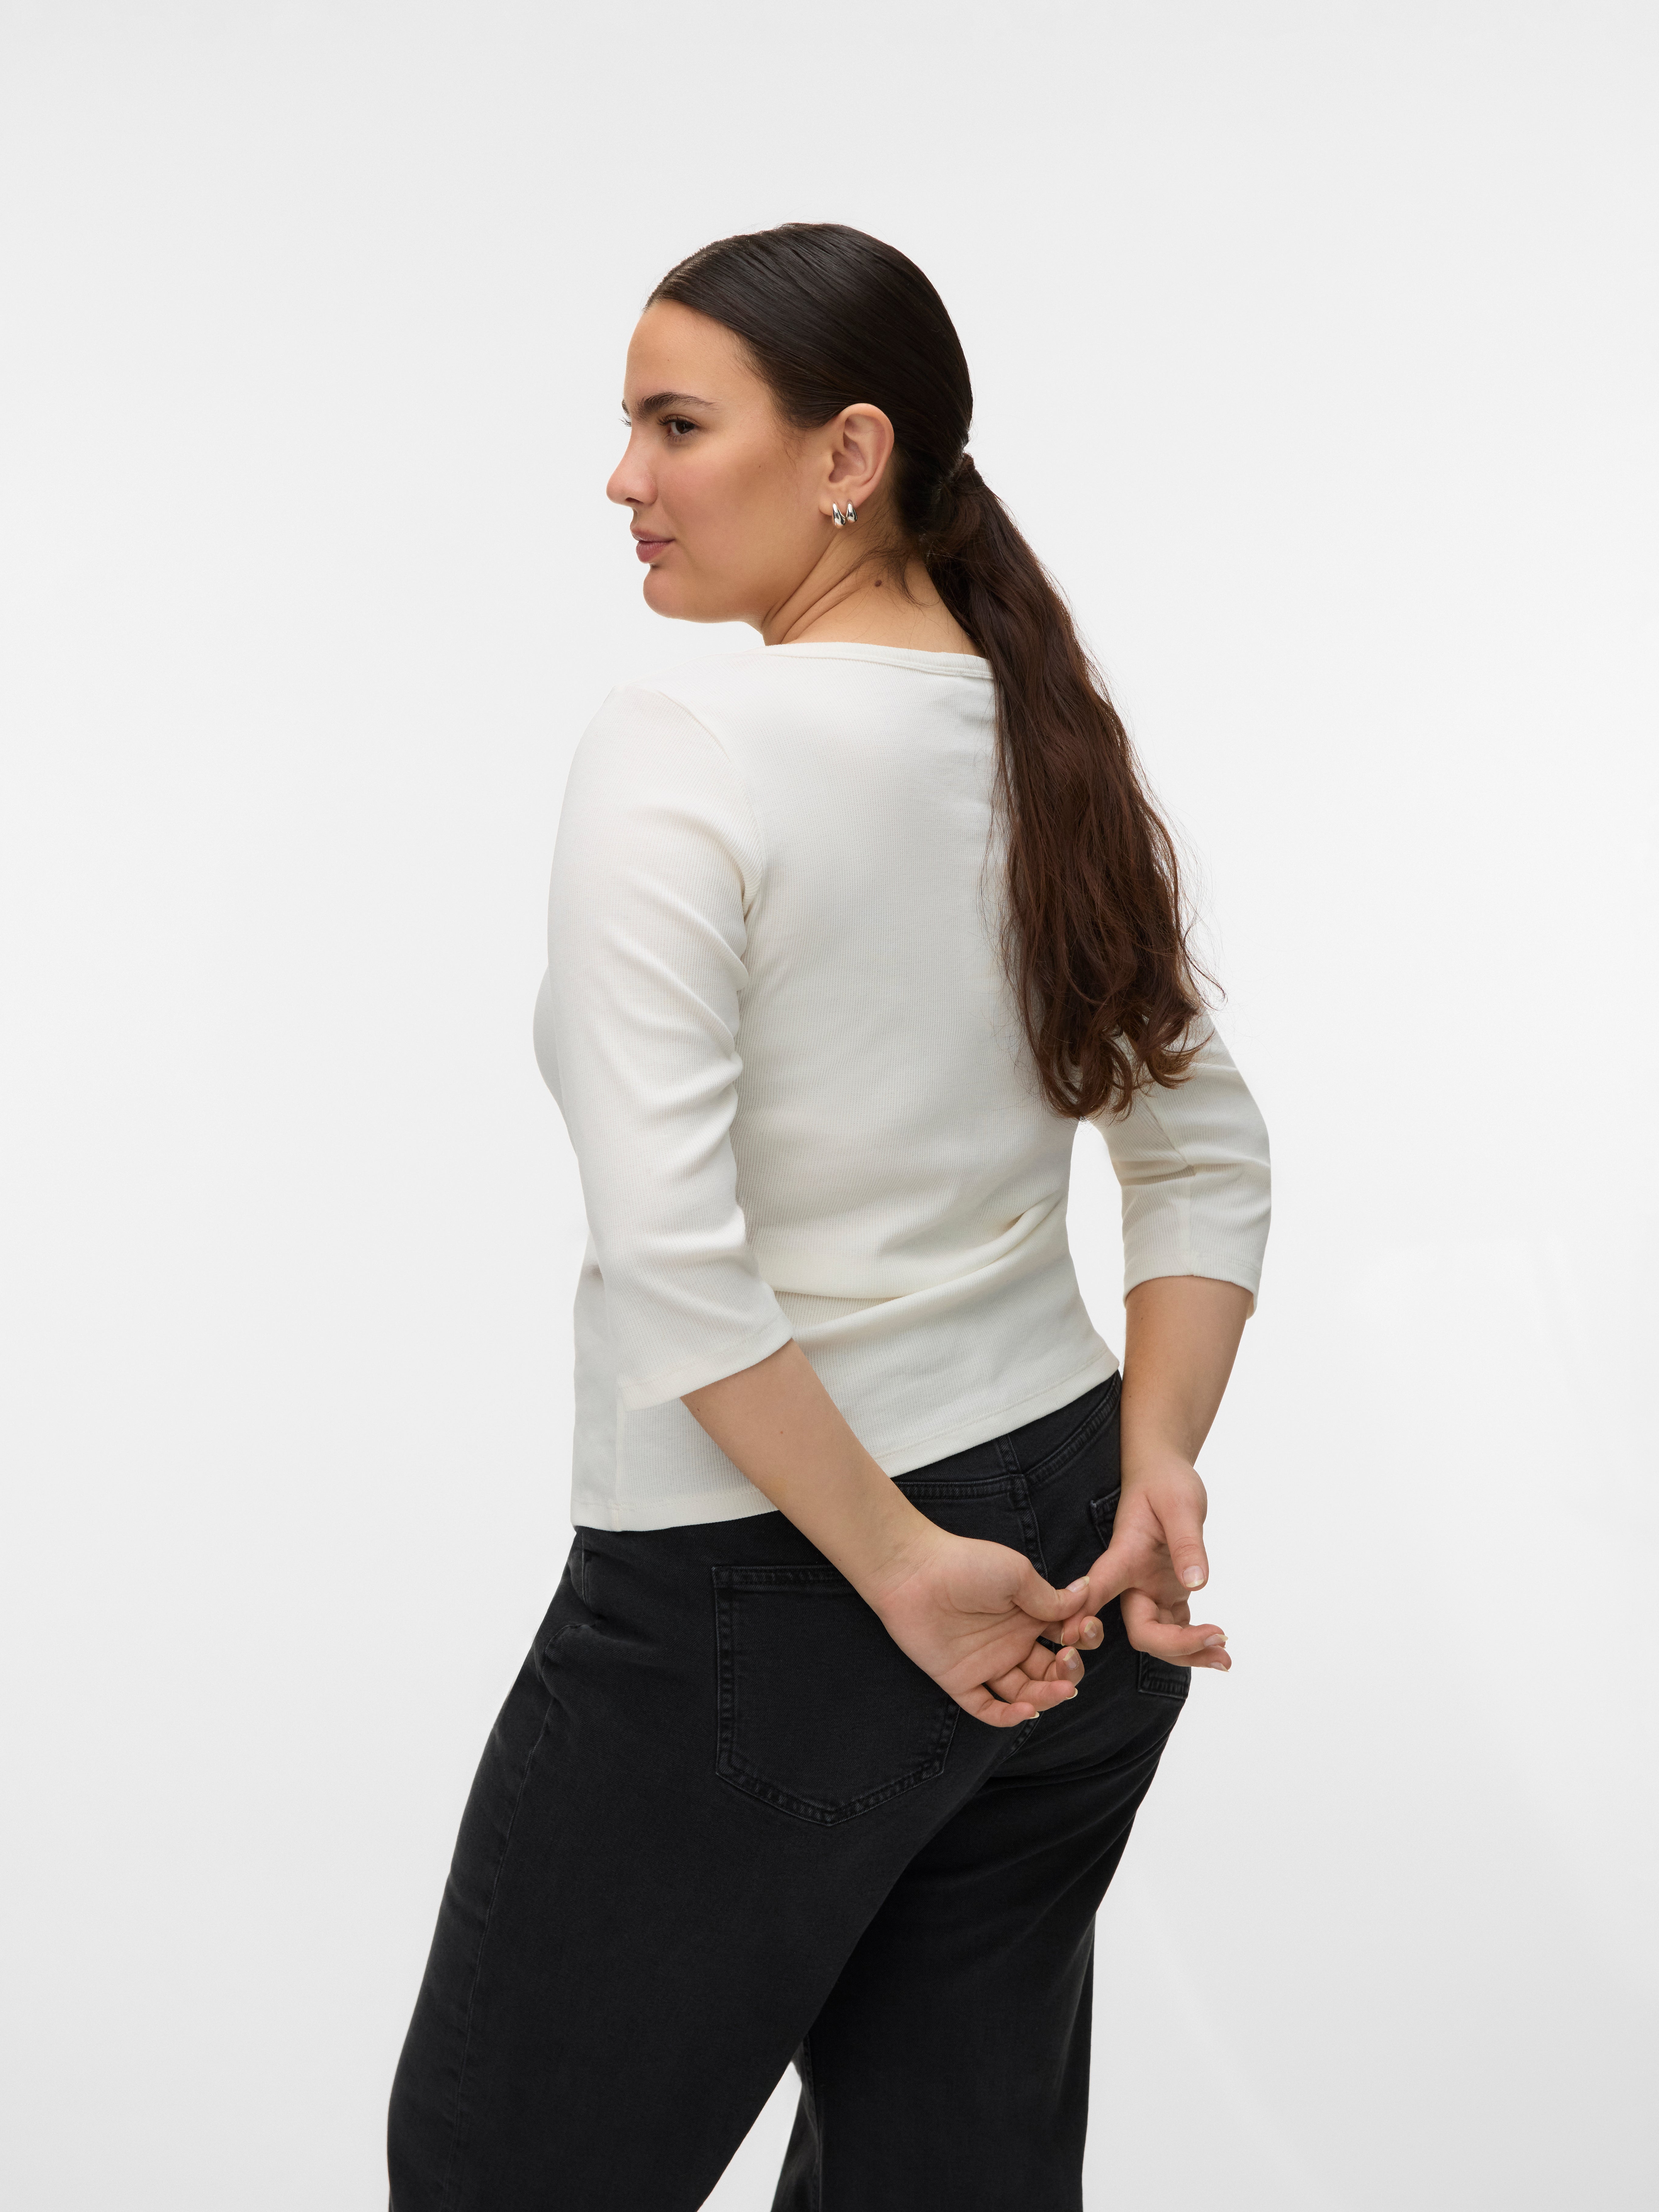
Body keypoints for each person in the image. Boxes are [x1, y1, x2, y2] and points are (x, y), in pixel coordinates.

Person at [387, 222, 1270, 2212]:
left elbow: (676, 1258)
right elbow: (1206, 1153)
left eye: (676, 425)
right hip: (1069, 1545)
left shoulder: (684, 752)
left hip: (781, 1578)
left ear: (850, 452)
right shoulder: (1041, 741)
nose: (624, 477)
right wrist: (1153, 1462)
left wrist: (894, 1567)